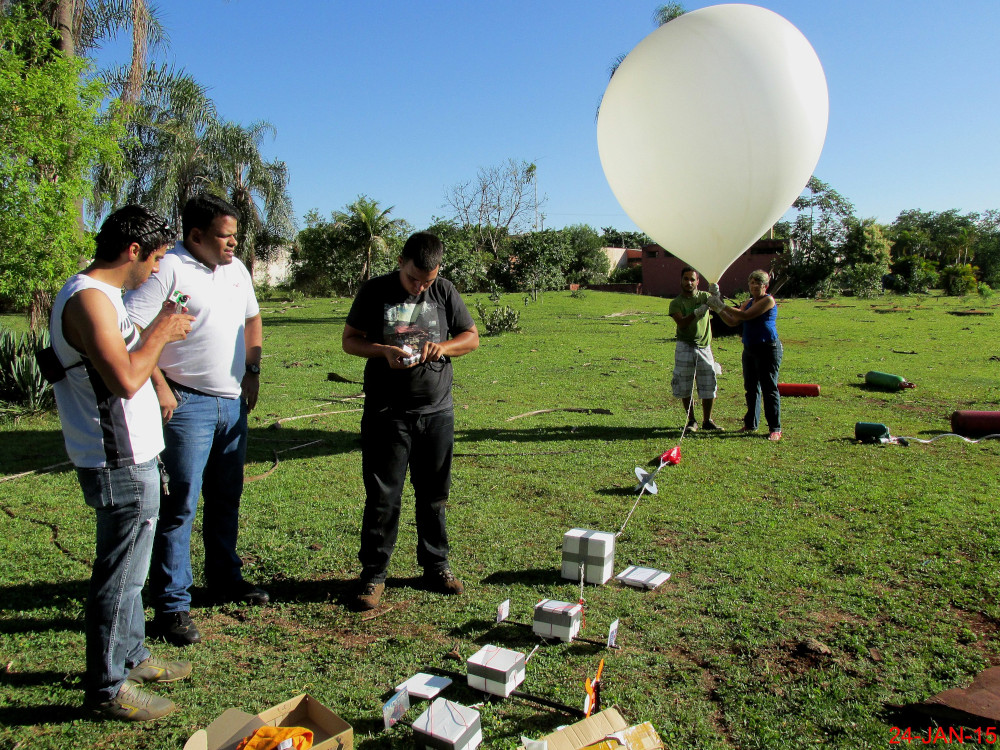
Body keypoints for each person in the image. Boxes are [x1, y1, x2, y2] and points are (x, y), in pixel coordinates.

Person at [49, 205, 195, 720]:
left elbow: (131, 363)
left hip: (135, 455)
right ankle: (107, 689)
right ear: (133, 251)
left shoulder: (106, 298)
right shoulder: (88, 300)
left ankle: (132, 656)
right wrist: (164, 332)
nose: (157, 270)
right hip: (118, 461)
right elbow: (125, 379)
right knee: (120, 577)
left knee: (133, 573)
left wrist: (157, 327)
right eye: (155, 258)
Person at [124, 194, 268, 648]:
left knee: (227, 497)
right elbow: (131, 326)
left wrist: (252, 371)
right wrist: (161, 385)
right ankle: (172, 605)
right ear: (196, 236)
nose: (234, 244)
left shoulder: (237, 270)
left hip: (231, 404)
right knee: (180, 504)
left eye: (236, 235)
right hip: (186, 405)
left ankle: (224, 578)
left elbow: (253, 319)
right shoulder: (170, 268)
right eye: (226, 236)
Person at [342, 231, 479, 611]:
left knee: (434, 494)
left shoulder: (445, 291)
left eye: (427, 281)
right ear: (401, 261)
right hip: (387, 413)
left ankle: (436, 565)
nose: (420, 287)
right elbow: (350, 340)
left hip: (436, 411)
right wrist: (382, 350)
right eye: (413, 279)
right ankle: (373, 574)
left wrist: (444, 347)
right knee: (384, 497)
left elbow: (471, 337)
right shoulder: (374, 290)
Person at [709, 269, 783, 441]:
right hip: (749, 348)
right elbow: (733, 321)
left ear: (765, 286)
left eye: (758, 283)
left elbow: (746, 315)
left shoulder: (768, 301)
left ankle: (775, 428)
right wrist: (718, 309)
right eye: (752, 282)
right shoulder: (748, 301)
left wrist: (722, 305)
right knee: (751, 388)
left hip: (767, 348)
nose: (755, 286)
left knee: (769, 388)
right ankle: (751, 424)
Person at [668, 267, 721, 431]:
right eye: (686, 279)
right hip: (685, 345)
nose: (689, 282)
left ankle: (707, 421)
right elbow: (682, 324)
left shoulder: (705, 296)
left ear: (698, 281)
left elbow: (719, 307)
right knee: (685, 383)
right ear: (681, 280)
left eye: (692, 279)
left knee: (708, 382)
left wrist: (716, 295)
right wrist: (697, 312)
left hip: (704, 346)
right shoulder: (676, 303)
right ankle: (691, 420)